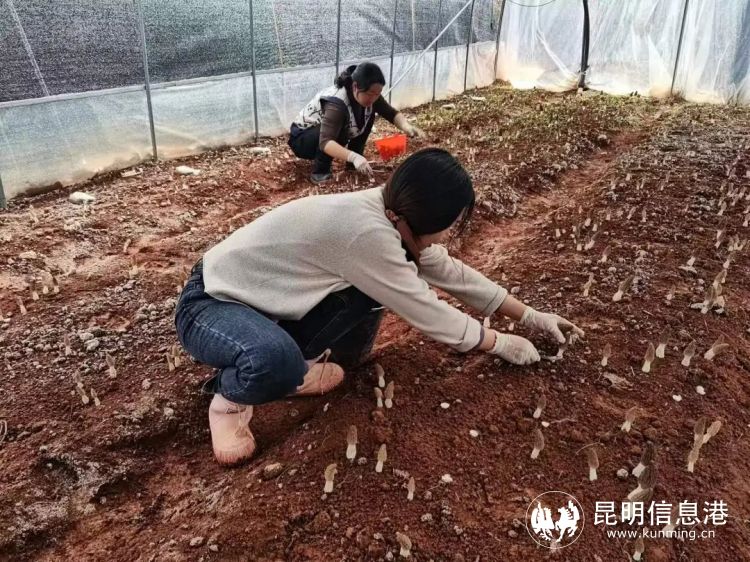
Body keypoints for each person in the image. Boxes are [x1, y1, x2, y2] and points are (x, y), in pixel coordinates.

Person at [175, 148, 583, 466]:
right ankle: (229, 401)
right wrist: (496, 342)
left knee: (363, 295)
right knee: (271, 359)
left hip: (264, 303)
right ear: (420, 218)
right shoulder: (367, 236)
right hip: (212, 303)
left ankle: (290, 369)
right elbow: (427, 311)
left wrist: (529, 315)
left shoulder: (388, 213)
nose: (446, 233)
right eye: (448, 223)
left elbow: (449, 272)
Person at [288, 61, 426, 183]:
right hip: (303, 140)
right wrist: (353, 157)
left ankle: (353, 165)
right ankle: (320, 172)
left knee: (368, 114)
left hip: (322, 136)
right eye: (370, 93)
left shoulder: (370, 97)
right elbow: (325, 142)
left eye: (377, 94)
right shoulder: (336, 103)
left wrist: (406, 126)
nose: (374, 98)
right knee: (342, 127)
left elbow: (390, 113)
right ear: (355, 87)